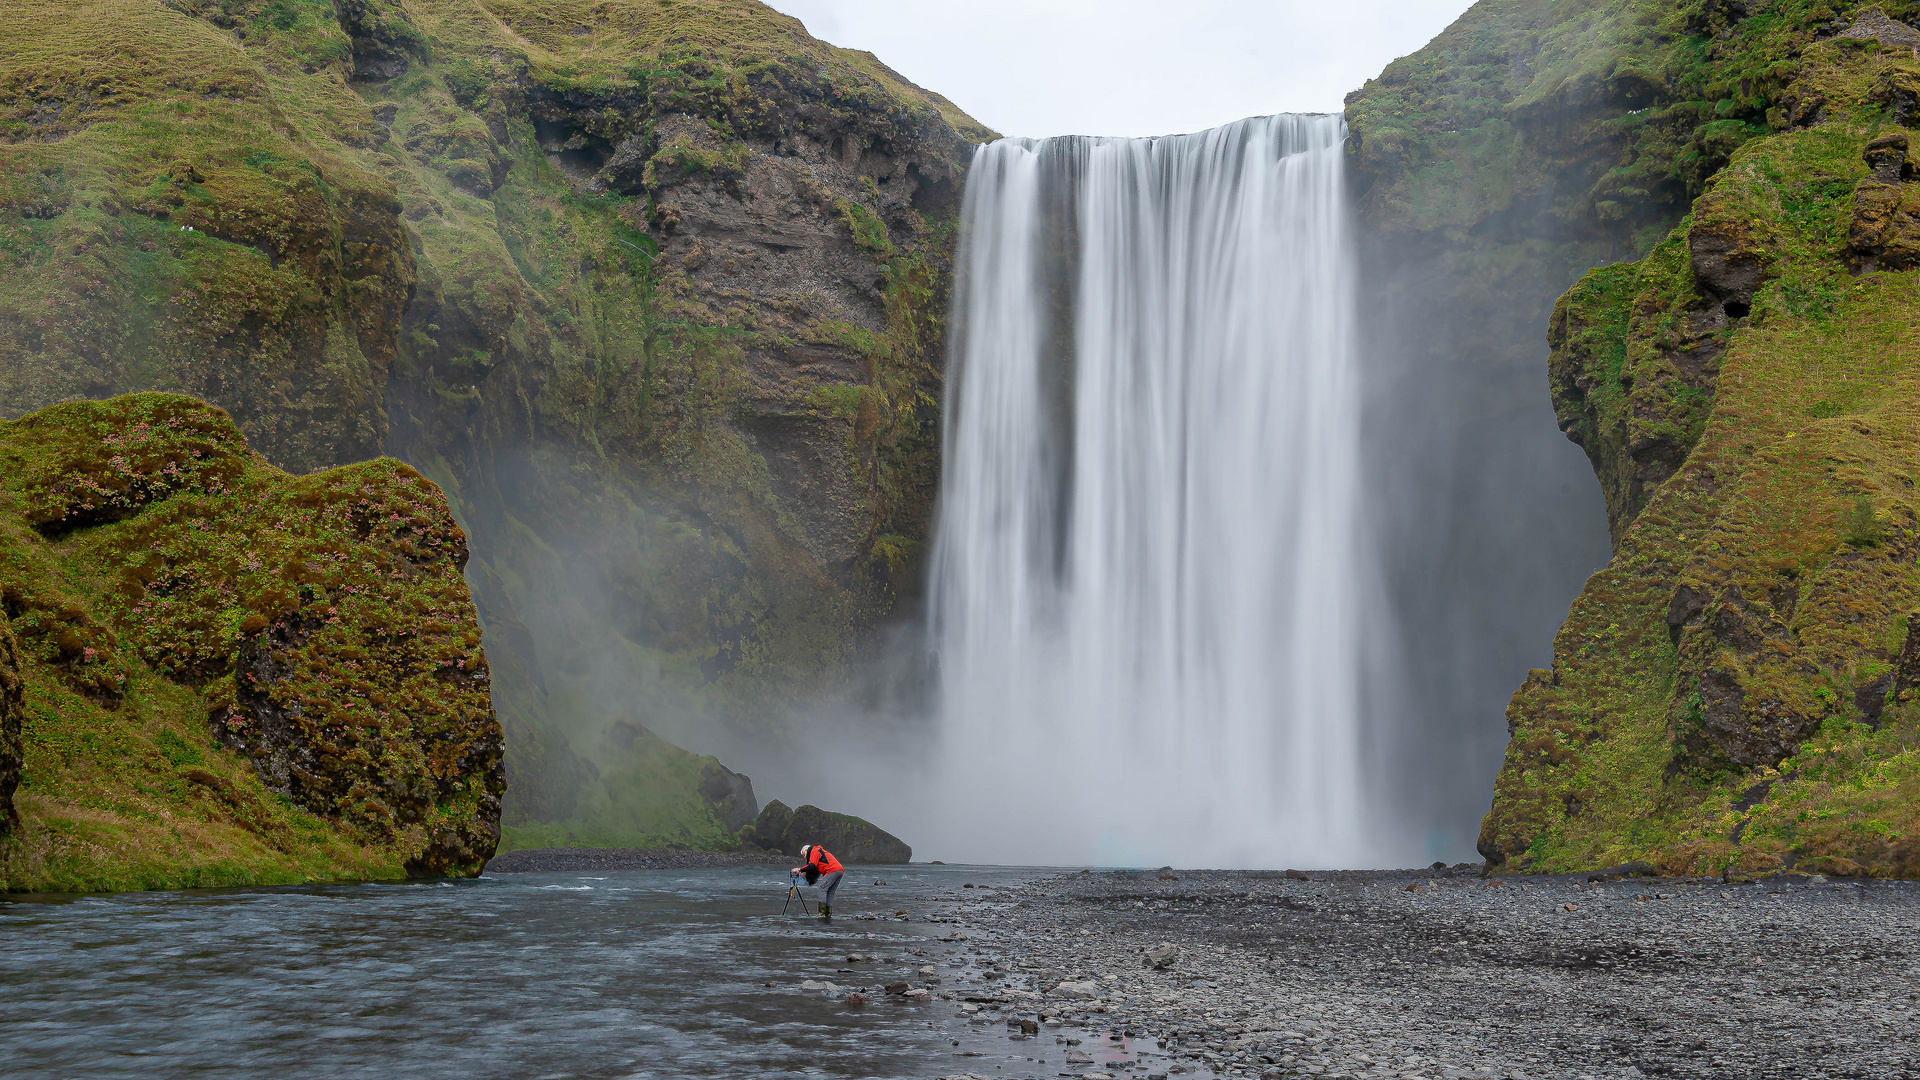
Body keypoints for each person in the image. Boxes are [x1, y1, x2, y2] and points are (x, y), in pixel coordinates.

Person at [792, 843, 845, 918]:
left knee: (822, 889)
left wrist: (799, 869)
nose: (805, 857)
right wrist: (803, 874)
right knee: (830, 892)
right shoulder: (819, 851)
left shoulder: (814, 850)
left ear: (807, 850)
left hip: (832, 870)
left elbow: (812, 865)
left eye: (804, 854)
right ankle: (827, 914)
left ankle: (821, 914)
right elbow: (814, 869)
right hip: (839, 870)